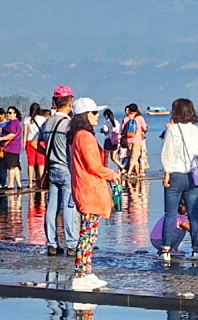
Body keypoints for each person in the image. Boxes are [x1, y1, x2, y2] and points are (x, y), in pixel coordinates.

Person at [68, 97, 120, 290]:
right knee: (88, 235)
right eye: (94, 113)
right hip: (89, 190)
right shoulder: (85, 136)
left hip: (84, 188)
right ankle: (81, 274)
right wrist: (112, 175)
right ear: (84, 115)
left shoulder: (78, 135)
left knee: (90, 234)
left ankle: (86, 272)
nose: (97, 116)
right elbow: (94, 166)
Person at [158, 98, 198, 261]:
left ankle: (165, 250)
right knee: (194, 214)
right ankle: (196, 250)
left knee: (170, 214)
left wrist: (167, 172)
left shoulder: (172, 130)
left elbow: (167, 153)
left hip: (176, 175)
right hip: (193, 176)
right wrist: (195, 162)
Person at [39, 87, 79, 256]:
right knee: (69, 207)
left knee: (52, 207)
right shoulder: (70, 124)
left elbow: (34, 144)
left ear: (54, 103)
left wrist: (48, 153)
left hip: (52, 168)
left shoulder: (46, 122)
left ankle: (52, 244)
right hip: (66, 169)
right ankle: (71, 244)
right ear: (70, 103)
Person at [1, 107, 26, 190]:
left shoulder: (12, 123)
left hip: (11, 147)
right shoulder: (17, 123)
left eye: (10, 113)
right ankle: (19, 183)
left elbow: (12, 134)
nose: (8, 114)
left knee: (11, 167)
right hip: (16, 148)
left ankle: (11, 183)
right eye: (7, 112)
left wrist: (0, 139)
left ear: (15, 114)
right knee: (15, 166)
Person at [122, 105, 149, 180]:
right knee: (135, 157)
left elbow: (123, 129)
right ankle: (129, 172)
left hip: (128, 139)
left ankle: (137, 172)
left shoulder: (127, 118)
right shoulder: (139, 118)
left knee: (133, 156)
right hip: (137, 140)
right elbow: (144, 127)